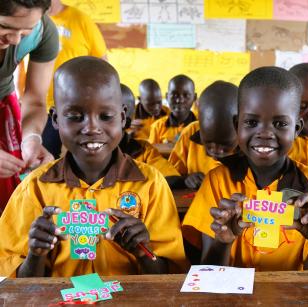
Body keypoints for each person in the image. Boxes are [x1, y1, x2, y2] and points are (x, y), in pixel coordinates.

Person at [0, 57, 186, 277]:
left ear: (123, 117)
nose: (91, 128)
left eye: (106, 116)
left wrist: (143, 252)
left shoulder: (151, 185)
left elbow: (171, 276)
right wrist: (36, 254)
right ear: (56, 119)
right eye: (75, 117)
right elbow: (13, 282)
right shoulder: (34, 189)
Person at [182, 67, 308, 271]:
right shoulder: (218, 182)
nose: (265, 133)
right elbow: (208, 272)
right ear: (236, 124)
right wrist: (223, 242)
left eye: (280, 123)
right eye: (251, 122)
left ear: (297, 129)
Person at [0, 0, 59, 212]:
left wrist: (31, 138)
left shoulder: (44, 32)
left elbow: (35, 98)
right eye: (5, 26)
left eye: (26, 30)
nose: (15, 39)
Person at [42, 0, 107, 159]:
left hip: (77, 110)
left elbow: (102, 65)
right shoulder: (31, 21)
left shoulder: (81, 20)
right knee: (43, 164)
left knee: (79, 161)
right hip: (40, 108)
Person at [168, 81, 238, 190]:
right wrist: (186, 179)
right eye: (208, 144)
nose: (215, 153)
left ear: (241, 126)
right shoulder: (190, 132)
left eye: (224, 146)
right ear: (200, 122)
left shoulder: (251, 144)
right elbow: (170, 176)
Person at [119, 83, 181, 181]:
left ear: (124, 118)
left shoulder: (143, 151)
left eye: (159, 102)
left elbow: (172, 178)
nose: (156, 107)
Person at [148, 74, 197, 144]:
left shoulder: (201, 126)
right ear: (167, 97)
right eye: (174, 95)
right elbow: (151, 153)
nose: (179, 100)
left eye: (186, 95)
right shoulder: (157, 127)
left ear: (194, 98)